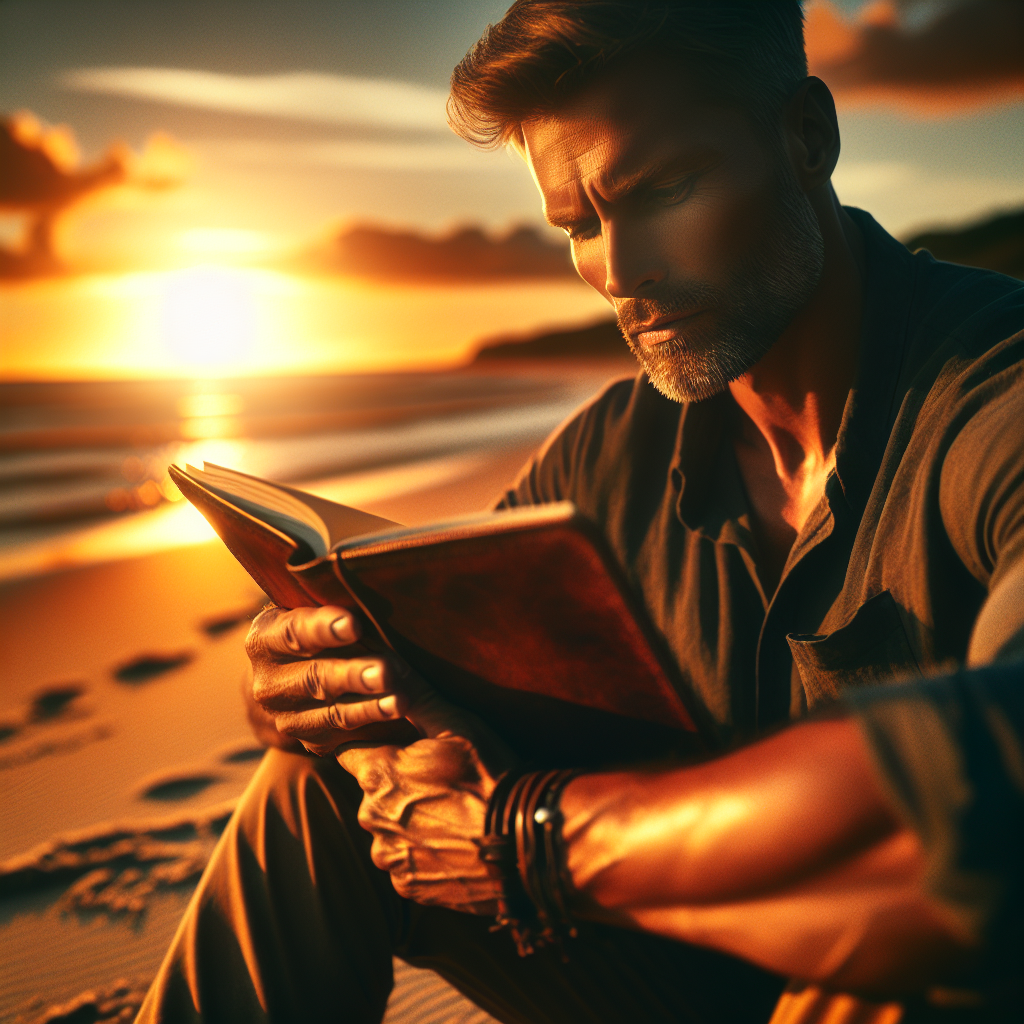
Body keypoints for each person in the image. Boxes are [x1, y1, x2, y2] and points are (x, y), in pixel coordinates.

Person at [138, 2, 1023, 1021]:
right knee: (322, 789)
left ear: (806, 136)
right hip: (676, 978)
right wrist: (314, 692)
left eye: (664, 190)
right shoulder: (603, 458)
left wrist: (531, 839)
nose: (619, 269)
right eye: (579, 226)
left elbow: (997, 783)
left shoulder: (994, 394)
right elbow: (423, 691)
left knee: (911, 969)